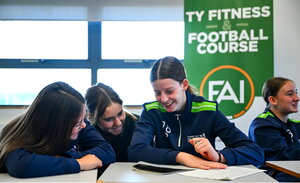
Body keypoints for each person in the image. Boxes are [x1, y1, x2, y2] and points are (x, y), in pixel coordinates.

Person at [128, 56, 264, 170]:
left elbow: (255, 152)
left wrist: (218, 156)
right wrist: (181, 156)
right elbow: (136, 150)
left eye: (169, 91)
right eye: (157, 93)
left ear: (184, 85)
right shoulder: (152, 111)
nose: (163, 99)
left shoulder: (208, 111)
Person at [0, 82, 116, 178]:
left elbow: (107, 152)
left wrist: (63, 158)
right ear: (57, 126)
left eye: (83, 119)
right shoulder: (19, 135)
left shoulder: (80, 123)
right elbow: (21, 166)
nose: (84, 125)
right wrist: (79, 163)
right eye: (77, 124)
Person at [248, 77, 300, 182]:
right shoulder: (262, 125)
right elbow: (282, 156)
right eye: (290, 94)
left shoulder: (291, 123)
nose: (297, 98)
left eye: (296, 93)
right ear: (273, 100)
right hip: (276, 178)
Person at [85, 83, 138, 162]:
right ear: (92, 117)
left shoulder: (137, 124)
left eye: (120, 114)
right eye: (109, 119)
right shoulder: (85, 133)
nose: (118, 123)